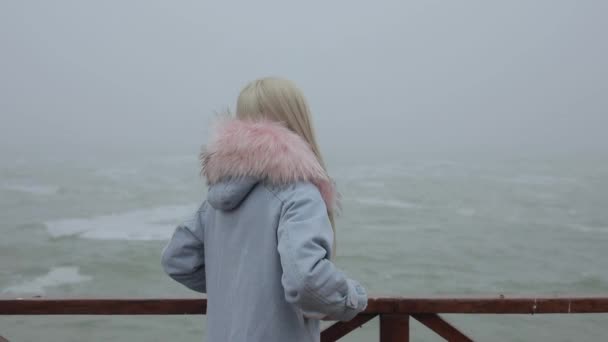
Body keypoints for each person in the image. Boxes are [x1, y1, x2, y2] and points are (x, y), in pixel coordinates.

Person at [161, 77, 368, 342]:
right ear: (298, 121)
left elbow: (177, 260)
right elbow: (307, 280)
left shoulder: (216, 200)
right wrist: (352, 297)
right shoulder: (298, 195)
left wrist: (236, 287)